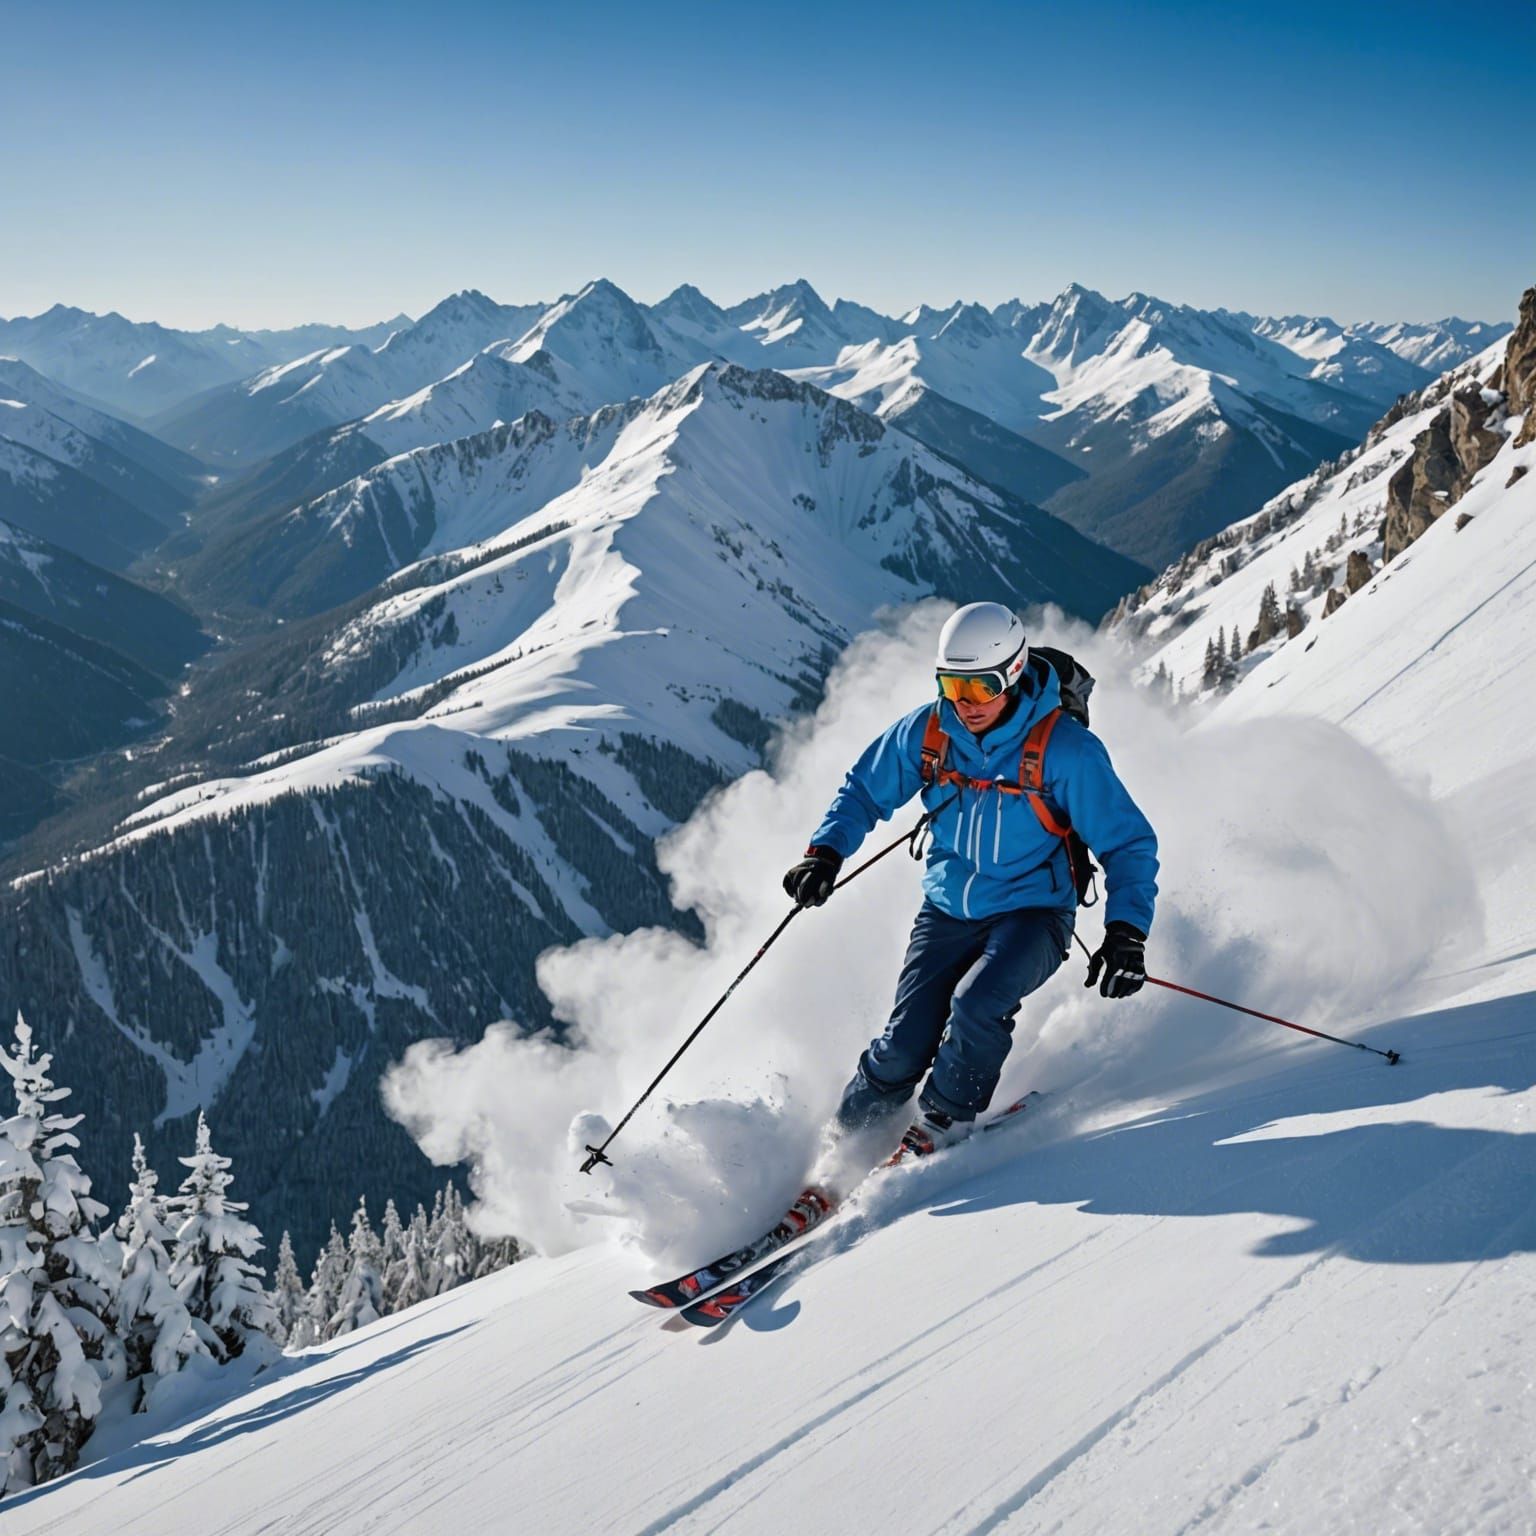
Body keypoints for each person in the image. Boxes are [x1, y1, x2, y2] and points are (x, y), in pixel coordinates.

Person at [782, 603, 1159, 1157]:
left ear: (1013, 673)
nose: (965, 703)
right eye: (952, 684)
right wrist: (825, 853)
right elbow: (864, 789)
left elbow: (1127, 843)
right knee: (902, 1045)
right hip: (947, 909)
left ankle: (943, 1120)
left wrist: (1126, 932)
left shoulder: (1066, 750)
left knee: (977, 1003)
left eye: (980, 686)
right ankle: (843, 1140)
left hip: (1034, 913)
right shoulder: (931, 731)